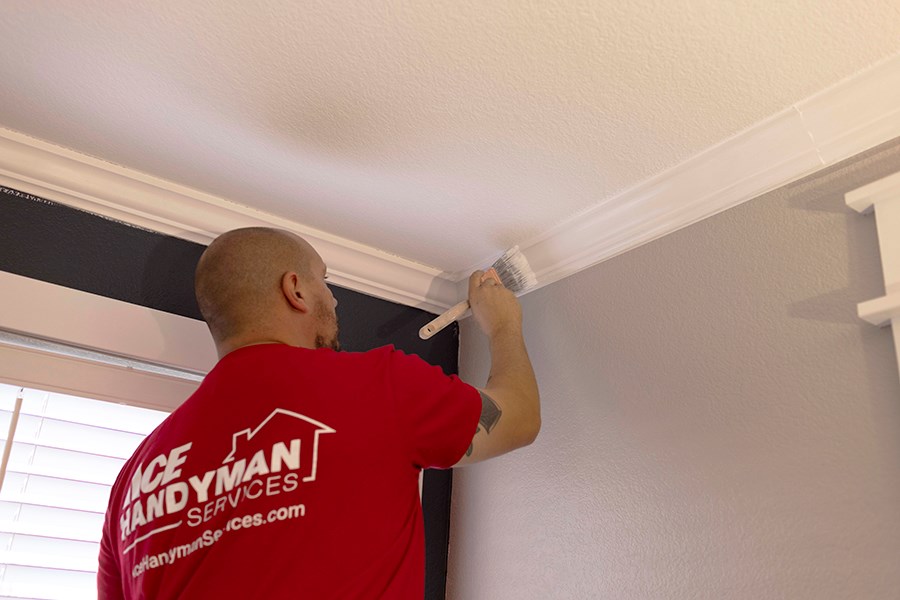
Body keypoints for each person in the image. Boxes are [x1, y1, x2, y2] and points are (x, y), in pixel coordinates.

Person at [98, 227, 540, 599]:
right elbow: (517, 418)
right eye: (324, 281)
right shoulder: (377, 385)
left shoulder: (133, 482)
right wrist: (502, 324)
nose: (335, 299)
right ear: (296, 290)